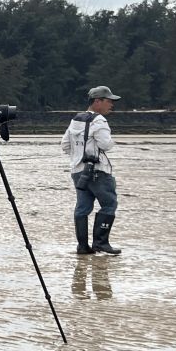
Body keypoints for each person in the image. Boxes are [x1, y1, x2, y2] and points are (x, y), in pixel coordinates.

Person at [61, 86, 121, 255]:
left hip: (78, 171)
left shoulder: (76, 120)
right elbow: (105, 145)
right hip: (98, 171)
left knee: (82, 208)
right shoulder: (99, 121)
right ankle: (101, 243)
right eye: (108, 101)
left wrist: (78, 155)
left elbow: (65, 145)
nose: (111, 105)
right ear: (97, 101)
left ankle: (82, 246)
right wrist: (111, 142)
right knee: (109, 204)